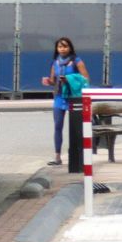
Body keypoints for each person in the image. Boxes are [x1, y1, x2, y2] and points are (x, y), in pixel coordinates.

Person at [40, 37, 89, 166]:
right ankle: (57, 157)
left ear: (70, 48)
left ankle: (80, 156)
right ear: (57, 49)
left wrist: (69, 79)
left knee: (77, 128)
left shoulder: (76, 61)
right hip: (59, 97)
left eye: (65, 46)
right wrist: (48, 81)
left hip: (73, 97)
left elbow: (85, 79)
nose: (62, 49)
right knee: (57, 126)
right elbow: (53, 80)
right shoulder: (55, 62)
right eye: (60, 47)